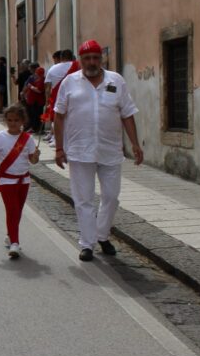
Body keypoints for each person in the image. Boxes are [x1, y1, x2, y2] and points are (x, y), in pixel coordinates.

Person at [54, 40, 144, 262]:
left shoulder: (116, 80)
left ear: (101, 58)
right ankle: (87, 244)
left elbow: (127, 113)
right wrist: (58, 148)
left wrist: (135, 143)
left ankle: (102, 235)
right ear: (80, 60)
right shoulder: (69, 83)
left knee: (111, 197)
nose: (92, 62)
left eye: (95, 57)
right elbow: (58, 115)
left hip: (110, 149)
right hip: (79, 150)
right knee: (83, 199)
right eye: (87, 58)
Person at [0, 104, 41, 259]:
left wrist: (36, 155)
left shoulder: (28, 139)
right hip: (6, 181)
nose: (13, 123)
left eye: (16, 120)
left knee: (17, 212)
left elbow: (33, 161)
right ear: (5, 120)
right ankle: (15, 243)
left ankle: (10, 234)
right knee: (12, 210)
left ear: (23, 121)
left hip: (23, 180)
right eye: (9, 120)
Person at [43, 49, 76, 143]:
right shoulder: (78, 66)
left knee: (57, 118)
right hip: (74, 96)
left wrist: (47, 102)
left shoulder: (53, 69)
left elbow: (47, 88)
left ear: (61, 58)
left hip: (57, 97)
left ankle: (56, 139)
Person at [23, 66, 46, 133]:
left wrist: (31, 86)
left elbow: (39, 90)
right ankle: (34, 128)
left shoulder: (42, 80)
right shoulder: (35, 79)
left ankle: (39, 129)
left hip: (39, 101)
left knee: (38, 116)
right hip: (33, 101)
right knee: (33, 115)